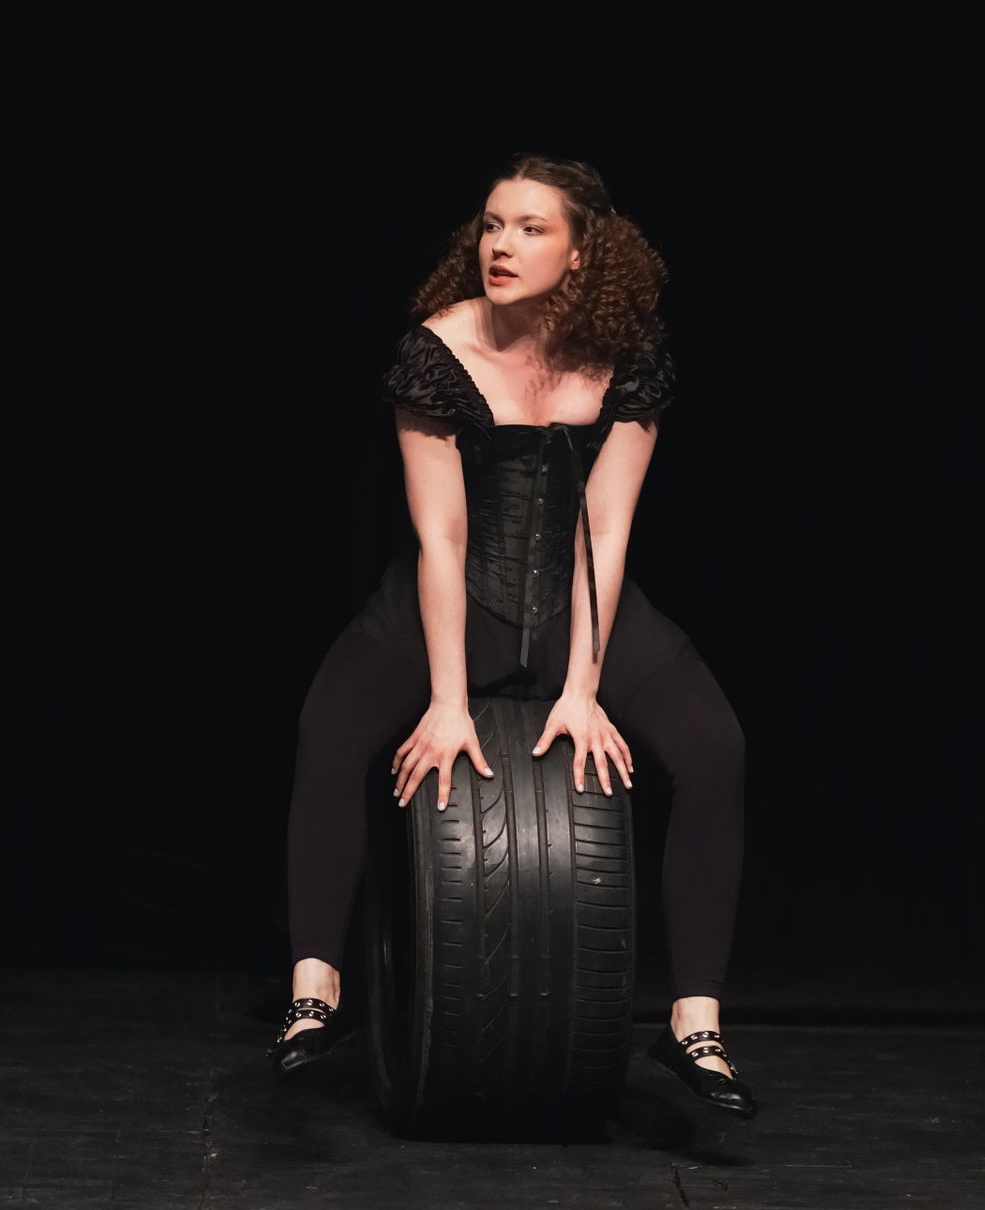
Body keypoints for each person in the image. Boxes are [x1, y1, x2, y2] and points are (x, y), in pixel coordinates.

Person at [273, 155, 753, 1118]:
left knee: (716, 749)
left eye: (532, 228)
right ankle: (315, 987)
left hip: (581, 600)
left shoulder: (628, 356)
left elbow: (605, 527)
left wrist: (583, 685)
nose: (501, 245)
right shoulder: (437, 350)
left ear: (582, 253)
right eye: (493, 224)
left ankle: (694, 1021)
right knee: (328, 732)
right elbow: (443, 536)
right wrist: (448, 700)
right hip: (454, 595)